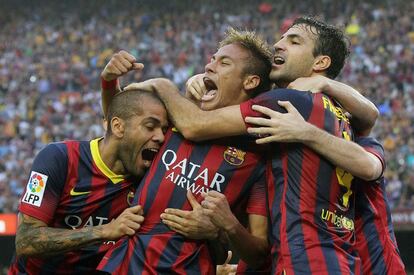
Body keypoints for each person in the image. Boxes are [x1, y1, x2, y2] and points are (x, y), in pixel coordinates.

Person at [125, 16, 378, 274]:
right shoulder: (343, 117)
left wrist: (164, 86)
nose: (279, 45)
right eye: (281, 38)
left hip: (305, 258)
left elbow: (195, 125)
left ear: (321, 62)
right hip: (340, 258)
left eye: (294, 41)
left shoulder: (286, 102)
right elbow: (371, 118)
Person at [97, 29, 273, 274]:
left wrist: (226, 226)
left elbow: (259, 253)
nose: (209, 66)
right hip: (125, 264)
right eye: (212, 59)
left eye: (224, 63)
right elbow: (121, 127)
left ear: (250, 81)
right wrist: (108, 81)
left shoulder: (257, 157)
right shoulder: (176, 120)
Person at [8, 89, 168, 274]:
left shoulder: (148, 178)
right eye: (150, 126)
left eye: (163, 130)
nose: (161, 137)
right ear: (118, 127)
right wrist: (104, 231)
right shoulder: (60, 158)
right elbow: (26, 240)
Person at [244, 101, 406, 274]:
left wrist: (307, 128)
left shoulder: (366, 145)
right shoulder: (303, 156)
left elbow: (369, 167)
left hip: (379, 265)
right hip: (342, 262)